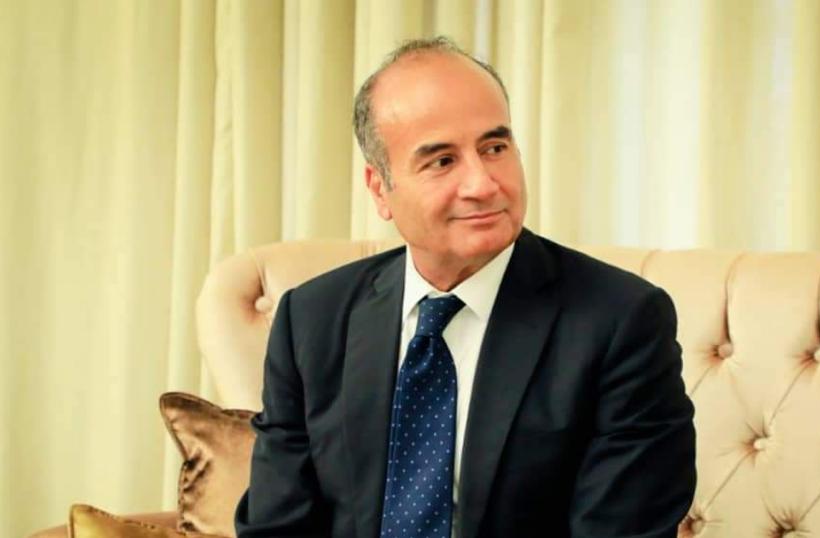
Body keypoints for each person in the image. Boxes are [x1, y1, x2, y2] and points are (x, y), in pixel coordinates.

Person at [235, 36, 696, 538]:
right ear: (380, 188)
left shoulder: (621, 322)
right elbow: (276, 525)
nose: (483, 184)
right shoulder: (312, 319)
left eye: (495, 148)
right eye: (442, 161)